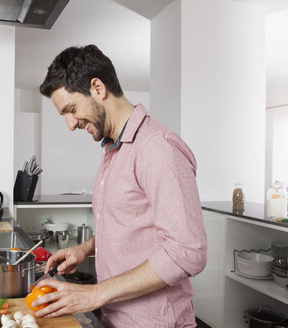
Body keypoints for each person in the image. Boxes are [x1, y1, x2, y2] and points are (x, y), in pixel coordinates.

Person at [33, 44, 207, 327]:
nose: (71, 124)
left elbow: (188, 252)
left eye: (71, 109)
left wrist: (94, 294)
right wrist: (87, 248)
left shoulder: (157, 148)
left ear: (98, 88)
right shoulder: (114, 149)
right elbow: (129, 225)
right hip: (118, 317)